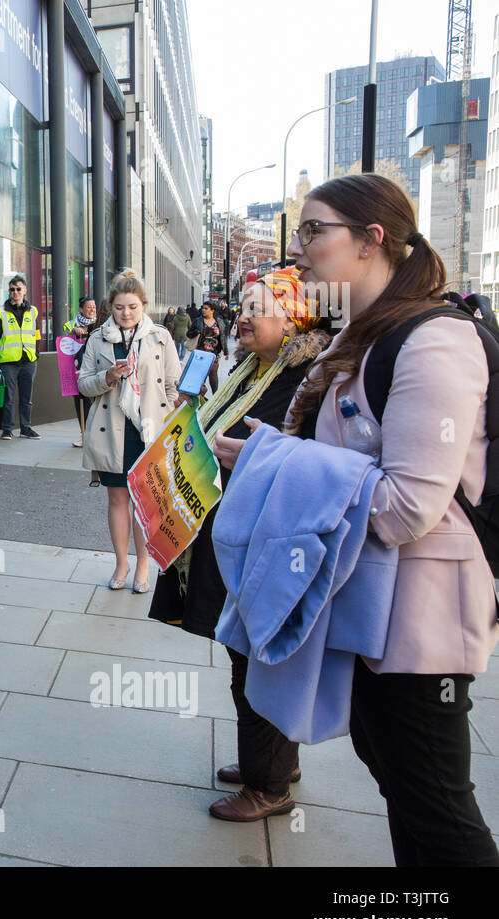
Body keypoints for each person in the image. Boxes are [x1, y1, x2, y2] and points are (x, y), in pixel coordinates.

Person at [214, 173, 499, 865]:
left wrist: (274, 464)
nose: (300, 251)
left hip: (421, 622)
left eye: (315, 232)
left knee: (437, 815)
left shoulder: (433, 340)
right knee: (401, 781)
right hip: (376, 606)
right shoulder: (369, 336)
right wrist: (270, 455)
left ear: (372, 240)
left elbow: (406, 509)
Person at [149, 269, 332, 822]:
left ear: (294, 318)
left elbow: (298, 460)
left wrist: (241, 455)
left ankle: (268, 785)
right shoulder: (257, 368)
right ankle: (275, 761)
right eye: (243, 306)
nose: (243, 317)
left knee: (255, 658)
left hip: (265, 545)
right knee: (243, 654)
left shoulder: (303, 378)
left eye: (258, 308)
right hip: (237, 534)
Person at [77, 269, 181, 593]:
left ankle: (143, 564)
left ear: (144, 306)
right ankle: (121, 564)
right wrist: (108, 376)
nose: (126, 313)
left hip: (147, 430)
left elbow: (172, 384)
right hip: (112, 431)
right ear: (111, 306)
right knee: (118, 499)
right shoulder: (98, 338)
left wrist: (170, 415)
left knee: (145, 502)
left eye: (133, 307)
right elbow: (83, 384)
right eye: (120, 307)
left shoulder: (160, 337)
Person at [0, 274, 40, 440]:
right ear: (9, 292)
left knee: (27, 398)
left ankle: (26, 428)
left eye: (18, 289)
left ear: (24, 290)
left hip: (28, 361)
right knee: (8, 398)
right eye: (12, 289)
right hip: (8, 362)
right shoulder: (1, 312)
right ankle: (7, 429)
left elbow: (37, 334)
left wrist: (36, 354)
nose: (15, 292)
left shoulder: (33, 311)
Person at [66, 296, 98, 447]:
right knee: (81, 404)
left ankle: (97, 436)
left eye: (94, 307)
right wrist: (74, 332)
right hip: (77, 369)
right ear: (81, 309)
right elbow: (64, 340)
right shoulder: (72, 324)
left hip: (95, 369)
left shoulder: (100, 324)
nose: (92, 310)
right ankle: (84, 435)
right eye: (89, 307)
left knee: (95, 404)